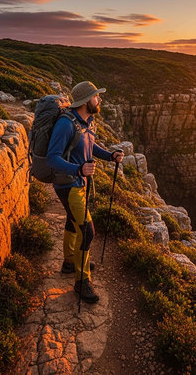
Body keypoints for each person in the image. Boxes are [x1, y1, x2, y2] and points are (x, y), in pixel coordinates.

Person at [47, 81, 124, 303]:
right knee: (88, 231)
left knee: (73, 222)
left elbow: (90, 146)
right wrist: (78, 169)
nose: (99, 100)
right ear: (85, 101)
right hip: (69, 185)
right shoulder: (66, 124)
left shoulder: (86, 121)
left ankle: (70, 262)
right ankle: (82, 282)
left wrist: (110, 155)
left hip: (79, 184)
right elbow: (53, 157)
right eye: (96, 97)